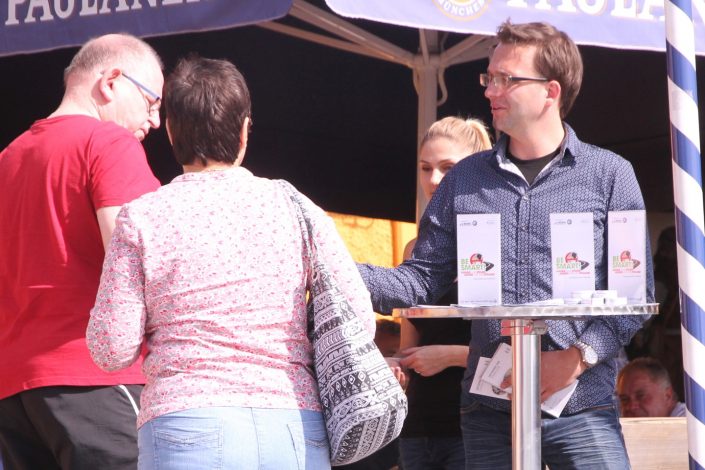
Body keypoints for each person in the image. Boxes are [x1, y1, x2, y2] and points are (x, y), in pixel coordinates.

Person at [358, 20, 654, 469]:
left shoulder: (610, 175)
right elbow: (419, 281)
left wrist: (576, 358)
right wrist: (334, 269)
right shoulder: (466, 178)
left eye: (506, 78)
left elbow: (632, 294)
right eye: (488, 77)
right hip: (489, 411)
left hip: (583, 408)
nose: (490, 89)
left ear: (550, 92)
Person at [86, 55, 375, 470]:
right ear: (244, 131)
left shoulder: (142, 216)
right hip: (294, 424)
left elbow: (111, 348)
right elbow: (358, 319)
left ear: (170, 130)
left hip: (185, 423)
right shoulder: (297, 208)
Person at [0, 34, 163, 469]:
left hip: (15, 389)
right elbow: (132, 264)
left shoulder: (8, 157)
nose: (157, 121)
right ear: (111, 81)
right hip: (96, 379)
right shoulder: (109, 144)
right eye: (151, 102)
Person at [392, 117, 491, 470]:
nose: (433, 180)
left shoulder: (498, 244)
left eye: (447, 168)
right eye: (425, 168)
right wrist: (396, 365)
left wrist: (450, 355)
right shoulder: (413, 248)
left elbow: (522, 355)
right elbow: (408, 345)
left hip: (477, 426)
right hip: (418, 425)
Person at [617, 357, 686, 418]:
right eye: (624, 400)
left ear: (668, 396)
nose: (631, 407)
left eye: (640, 396)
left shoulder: (690, 423)